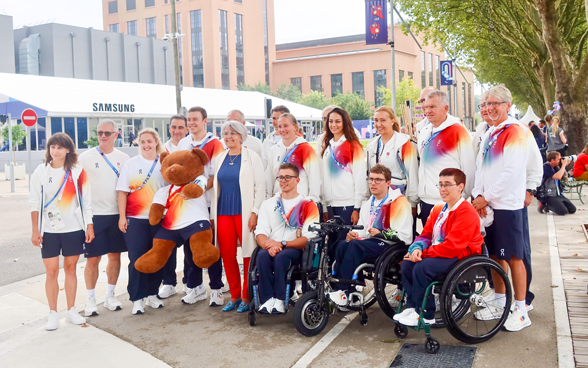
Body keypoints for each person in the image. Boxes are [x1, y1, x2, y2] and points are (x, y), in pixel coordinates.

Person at [471, 85, 531, 332]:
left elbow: (512, 171)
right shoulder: (489, 132)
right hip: (488, 206)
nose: (489, 108)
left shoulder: (515, 131)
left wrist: (487, 197)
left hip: (507, 206)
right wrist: (477, 196)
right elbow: (480, 169)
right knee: (495, 256)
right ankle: (499, 301)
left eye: (494, 103)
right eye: (485, 104)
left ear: (508, 105)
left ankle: (521, 308)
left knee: (514, 257)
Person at [394, 168, 483, 326]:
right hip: (441, 252)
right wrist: (416, 249)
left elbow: (452, 246)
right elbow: (426, 234)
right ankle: (413, 307)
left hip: (461, 255)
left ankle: (426, 314)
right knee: (407, 263)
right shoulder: (438, 209)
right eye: (440, 184)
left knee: (422, 267)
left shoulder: (466, 211)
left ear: (460, 187)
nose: (443, 189)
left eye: (448, 184)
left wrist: (424, 254)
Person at [29, 133, 94, 330]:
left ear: (68, 150)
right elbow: (34, 202)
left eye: (59, 147)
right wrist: (35, 229)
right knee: (51, 272)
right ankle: (52, 314)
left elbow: (86, 201)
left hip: (73, 229)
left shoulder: (77, 171)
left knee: (71, 269)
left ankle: (71, 310)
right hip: (48, 231)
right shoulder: (41, 172)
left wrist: (89, 225)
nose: (55, 151)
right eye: (52, 147)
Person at [328, 165, 413, 307]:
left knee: (355, 246)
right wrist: (354, 234)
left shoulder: (399, 202)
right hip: (371, 242)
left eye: (378, 180)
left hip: (391, 246)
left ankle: (344, 290)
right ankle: (350, 290)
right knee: (343, 244)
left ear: (388, 183)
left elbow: (405, 235)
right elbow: (363, 228)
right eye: (371, 179)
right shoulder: (369, 203)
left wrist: (381, 233)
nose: (373, 183)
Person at [211, 120, 265, 313]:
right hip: (224, 212)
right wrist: (212, 216)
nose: (228, 137)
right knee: (227, 255)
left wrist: (255, 212)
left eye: (233, 133)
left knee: (248, 254)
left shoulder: (252, 157)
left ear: (242, 136)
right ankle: (233, 295)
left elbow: (260, 187)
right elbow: (216, 189)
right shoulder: (220, 158)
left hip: (245, 212)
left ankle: (246, 295)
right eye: (225, 133)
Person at [79, 120, 130, 317]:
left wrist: (124, 215)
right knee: (93, 258)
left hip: (117, 215)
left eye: (108, 133)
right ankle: (90, 299)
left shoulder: (124, 158)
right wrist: (86, 220)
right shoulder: (85, 157)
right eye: (100, 132)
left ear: (116, 134)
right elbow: (78, 188)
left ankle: (110, 295)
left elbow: (127, 188)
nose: (103, 136)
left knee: (115, 256)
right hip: (94, 217)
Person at [254, 163, 320, 313]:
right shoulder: (268, 204)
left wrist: (282, 243)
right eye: (280, 177)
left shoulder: (308, 205)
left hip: (294, 248)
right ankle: (267, 300)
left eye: (288, 177)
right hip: (271, 246)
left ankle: (280, 300)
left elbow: (309, 238)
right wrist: (268, 245)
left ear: (297, 180)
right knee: (262, 256)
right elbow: (261, 231)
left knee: (281, 258)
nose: (283, 181)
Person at [177, 106, 225, 306]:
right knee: (189, 249)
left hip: (207, 204)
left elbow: (216, 175)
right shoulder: (183, 142)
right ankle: (196, 287)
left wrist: (199, 188)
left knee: (210, 247)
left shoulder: (215, 143)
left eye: (195, 119)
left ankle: (216, 289)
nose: (191, 123)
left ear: (205, 121)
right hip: (187, 206)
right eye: (189, 119)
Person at [116, 128, 167, 315]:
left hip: (159, 220)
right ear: (139, 143)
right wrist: (122, 217)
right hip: (135, 220)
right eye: (143, 141)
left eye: (150, 141)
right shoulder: (131, 164)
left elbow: (171, 191)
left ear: (156, 142)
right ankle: (137, 298)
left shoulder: (164, 163)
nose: (146, 145)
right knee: (136, 259)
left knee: (156, 258)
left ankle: (152, 294)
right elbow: (122, 192)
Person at [417, 90, 475, 226]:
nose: (428, 111)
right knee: (429, 244)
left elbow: (469, 168)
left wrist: (463, 198)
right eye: (426, 107)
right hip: (426, 201)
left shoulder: (458, 131)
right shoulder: (424, 131)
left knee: (447, 244)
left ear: (445, 108)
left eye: (433, 107)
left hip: (448, 201)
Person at [366, 106, 418, 218]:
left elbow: (413, 174)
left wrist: (412, 203)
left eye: (383, 120)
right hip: (377, 200)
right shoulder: (372, 145)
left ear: (392, 121)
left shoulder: (404, 143)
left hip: (399, 198)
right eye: (376, 120)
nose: (379, 124)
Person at [158, 114, 190, 299]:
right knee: (167, 246)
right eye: (173, 127)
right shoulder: (161, 149)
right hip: (167, 206)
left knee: (189, 247)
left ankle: (189, 282)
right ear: (169, 128)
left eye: (180, 127)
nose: (177, 131)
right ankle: (168, 283)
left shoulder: (191, 146)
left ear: (186, 129)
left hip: (188, 204)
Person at [320, 107, 367, 225]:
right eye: (330, 121)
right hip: (331, 205)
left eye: (337, 121)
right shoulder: (328, 146)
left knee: (345, 242)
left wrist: (357, 208)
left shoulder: (353, 146)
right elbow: (324, 177)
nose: (333, 125)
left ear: (344, 123)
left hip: (348, 204)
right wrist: (325, 206)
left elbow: (360, 178)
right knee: (333, 242)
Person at [265, 113, 321, 204]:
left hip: (300, 204)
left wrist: (313, 200)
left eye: (286, 125)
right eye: (280, 126)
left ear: (295, 127)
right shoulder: (274, 150)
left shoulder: (305, 148)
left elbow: (314, 177)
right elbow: (270, 177)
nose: (282, 130)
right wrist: (268, 199)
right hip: (278, 203)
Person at [539, 151, 577, 215]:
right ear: (552, 160)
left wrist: (564, 166)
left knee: (572, 209)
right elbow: (557, 177)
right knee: (563, 212)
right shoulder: (546, 167)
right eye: (559, 159)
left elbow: (565, 179)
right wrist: (564, 165)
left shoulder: (556, 167)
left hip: (557, 193)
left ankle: (553, 205)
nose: (560, 160)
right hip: (548, 194)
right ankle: (544, 204)